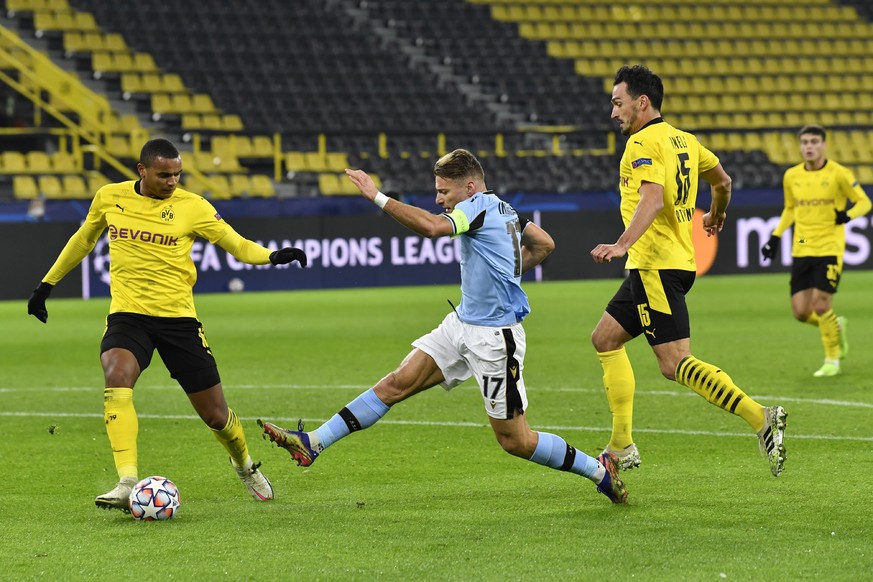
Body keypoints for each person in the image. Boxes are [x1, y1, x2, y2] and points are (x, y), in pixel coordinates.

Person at [259, 149, 628, 504]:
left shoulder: (476, 207)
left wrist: (377, 196)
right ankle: (314, 443)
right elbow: (545, 243)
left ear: (469, 187)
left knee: (516, 440)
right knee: (396, 383)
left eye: (443, 191)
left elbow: (434, 228)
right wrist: (507, 274)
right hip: (462, 324)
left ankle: (599, 471)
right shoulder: (504, 207)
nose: (439, 199)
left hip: (494, 339)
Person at [26, 138, 307, 510]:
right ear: (141, 171)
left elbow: (236, 244)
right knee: (116, 373)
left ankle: (244, 465)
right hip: (129, 315)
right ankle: (127, 481)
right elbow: (82, 240)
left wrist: (272, 256)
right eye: (164, 174)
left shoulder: (194, 206)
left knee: (216, 415)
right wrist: (46, 285)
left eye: (177, 174)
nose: (172, 181)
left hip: (178, 320)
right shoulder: (110, 197)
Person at [589, 65, 787, 477]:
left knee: (674, 362)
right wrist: (716, 214)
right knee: (605, 337)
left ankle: (760, 417)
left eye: (618, 102)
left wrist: (622, 244)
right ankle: (621, 444)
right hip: (673, 262)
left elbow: (654, 198)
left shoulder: (641, 143)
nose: (613, 113)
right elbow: (724, 181)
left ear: (642, 102)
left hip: (655, 264)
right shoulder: (686, 140)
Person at [761, 125, 871, 377]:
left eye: (814, 142)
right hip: (801, 248)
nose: (808, 146)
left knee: (821, 306)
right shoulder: (791, 176)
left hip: (830, 248)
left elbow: (865, 202)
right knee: (801, 312)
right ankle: (835, 326)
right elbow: (790, 208)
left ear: (824, 145)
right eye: (805, 142)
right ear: (800, 146)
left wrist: (847, 215)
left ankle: (832, 359)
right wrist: (775, 237)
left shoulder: (839, 174)